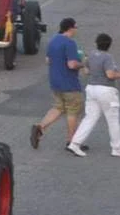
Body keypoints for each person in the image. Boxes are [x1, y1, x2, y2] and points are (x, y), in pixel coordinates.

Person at [67, 32, 120, 158]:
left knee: (90, 118)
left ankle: (75, 143)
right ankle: (116, 148)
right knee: (113, 120)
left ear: (96, 43)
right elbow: (110, 75)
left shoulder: (91, 55)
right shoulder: (107, 57)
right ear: (109, 45)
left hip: (91, 88)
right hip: (106, 91)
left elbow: (86, 71)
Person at [32, 18, 86, 150]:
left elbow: (48, 60)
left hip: (55, 82)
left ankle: (40, 127)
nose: (76, 29)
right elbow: (72, 64)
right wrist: (83, 63)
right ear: (70, 28)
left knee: (58, 107)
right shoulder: (70, 43)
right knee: (73, 112)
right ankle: (72, 141)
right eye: (76, 27)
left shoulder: (53, 40)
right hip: (69, 83)